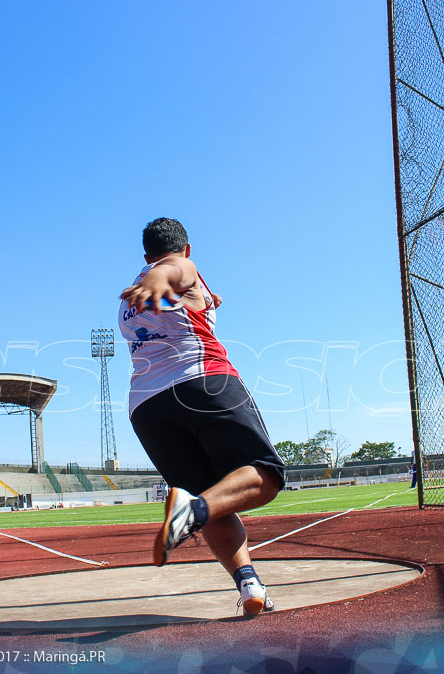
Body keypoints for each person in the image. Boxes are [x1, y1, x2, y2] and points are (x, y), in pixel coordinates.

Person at [119, 217, 285, 617]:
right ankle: (190, 512)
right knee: (265, 476)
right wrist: (166, 273)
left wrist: (206, 299)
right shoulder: (177, 271)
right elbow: (180, 269)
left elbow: (184, 300)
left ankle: (249, 585)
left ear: (143, 255)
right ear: (187, 249)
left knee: (211, 495)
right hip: (202, 382)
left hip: (147, 407)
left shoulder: (128, 298)